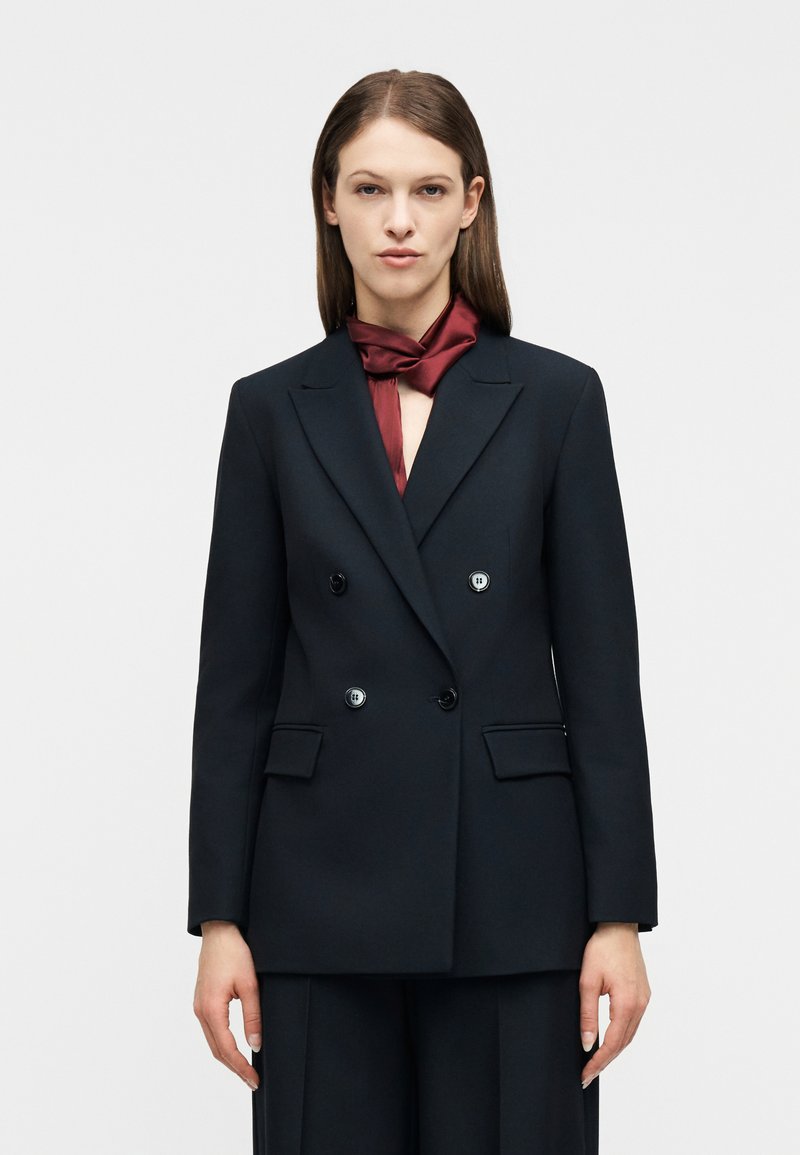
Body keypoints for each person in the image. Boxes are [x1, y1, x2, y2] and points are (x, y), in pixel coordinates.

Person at [188, 68, 658, 1155]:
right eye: (369, 188)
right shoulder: (269, 409)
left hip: (512, 888)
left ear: (470, 203)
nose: (398, 220)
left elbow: (602, 677)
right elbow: (234, 685)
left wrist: (618, 914)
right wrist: (219, 918)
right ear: (328, 201)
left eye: (428, 189)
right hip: (315, 892)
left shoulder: (556, 399)